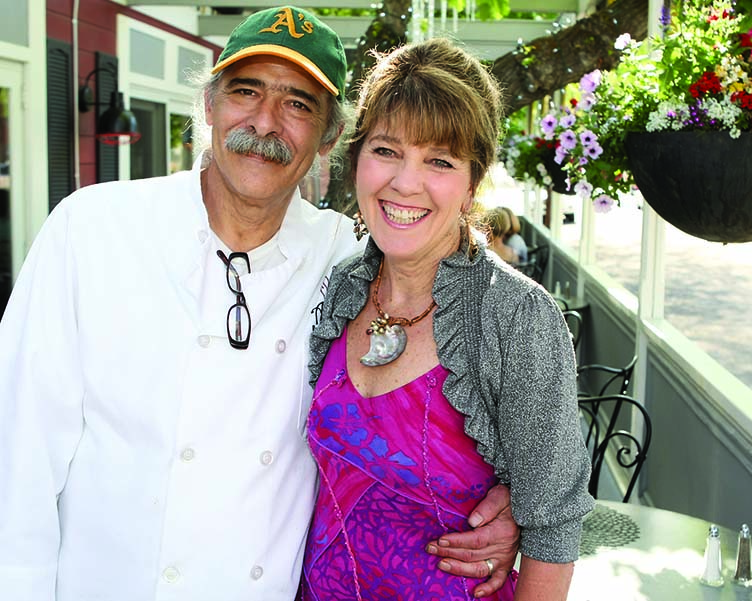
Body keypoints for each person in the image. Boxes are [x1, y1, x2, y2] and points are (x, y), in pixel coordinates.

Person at [0, 7, 517, 600]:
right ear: (210, 105)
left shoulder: (348, 260)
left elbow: (436, 386)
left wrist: (502, 500)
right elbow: (18, 458)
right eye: (246, 91)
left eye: (298, 104)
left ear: (328, 139)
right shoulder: (91, 230)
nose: (266, 122)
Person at [305, 38, 594, 600]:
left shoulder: (517, 317)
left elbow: (554, 529)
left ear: (472, 182)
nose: (405, 183)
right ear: (358, 159)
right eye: (387, 150)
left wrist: (522, 509)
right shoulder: (338, 287)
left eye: (439, 161)